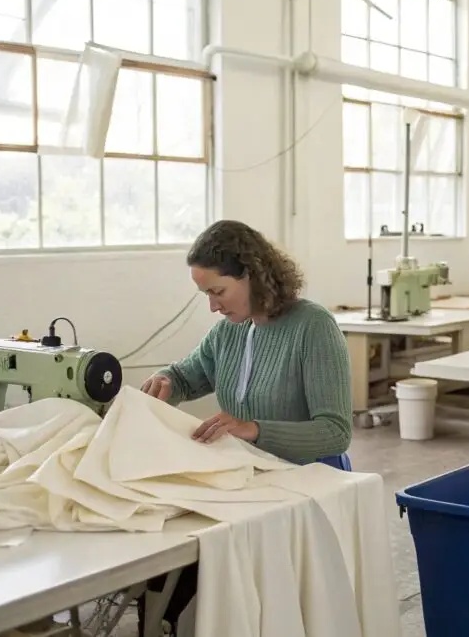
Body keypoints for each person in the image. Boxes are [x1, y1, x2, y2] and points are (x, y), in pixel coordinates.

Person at [137, 219, 353, 636]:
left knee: (210, 563)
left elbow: (335, 431)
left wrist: (253, 429)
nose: (213, 306)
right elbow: (188, 375)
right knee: (172, 553)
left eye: (218, 292)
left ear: (251, 274)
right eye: (205, 295)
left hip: (307, 482)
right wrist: (166, 381)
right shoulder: (229, 333)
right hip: (250, 480)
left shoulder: (313, 328)